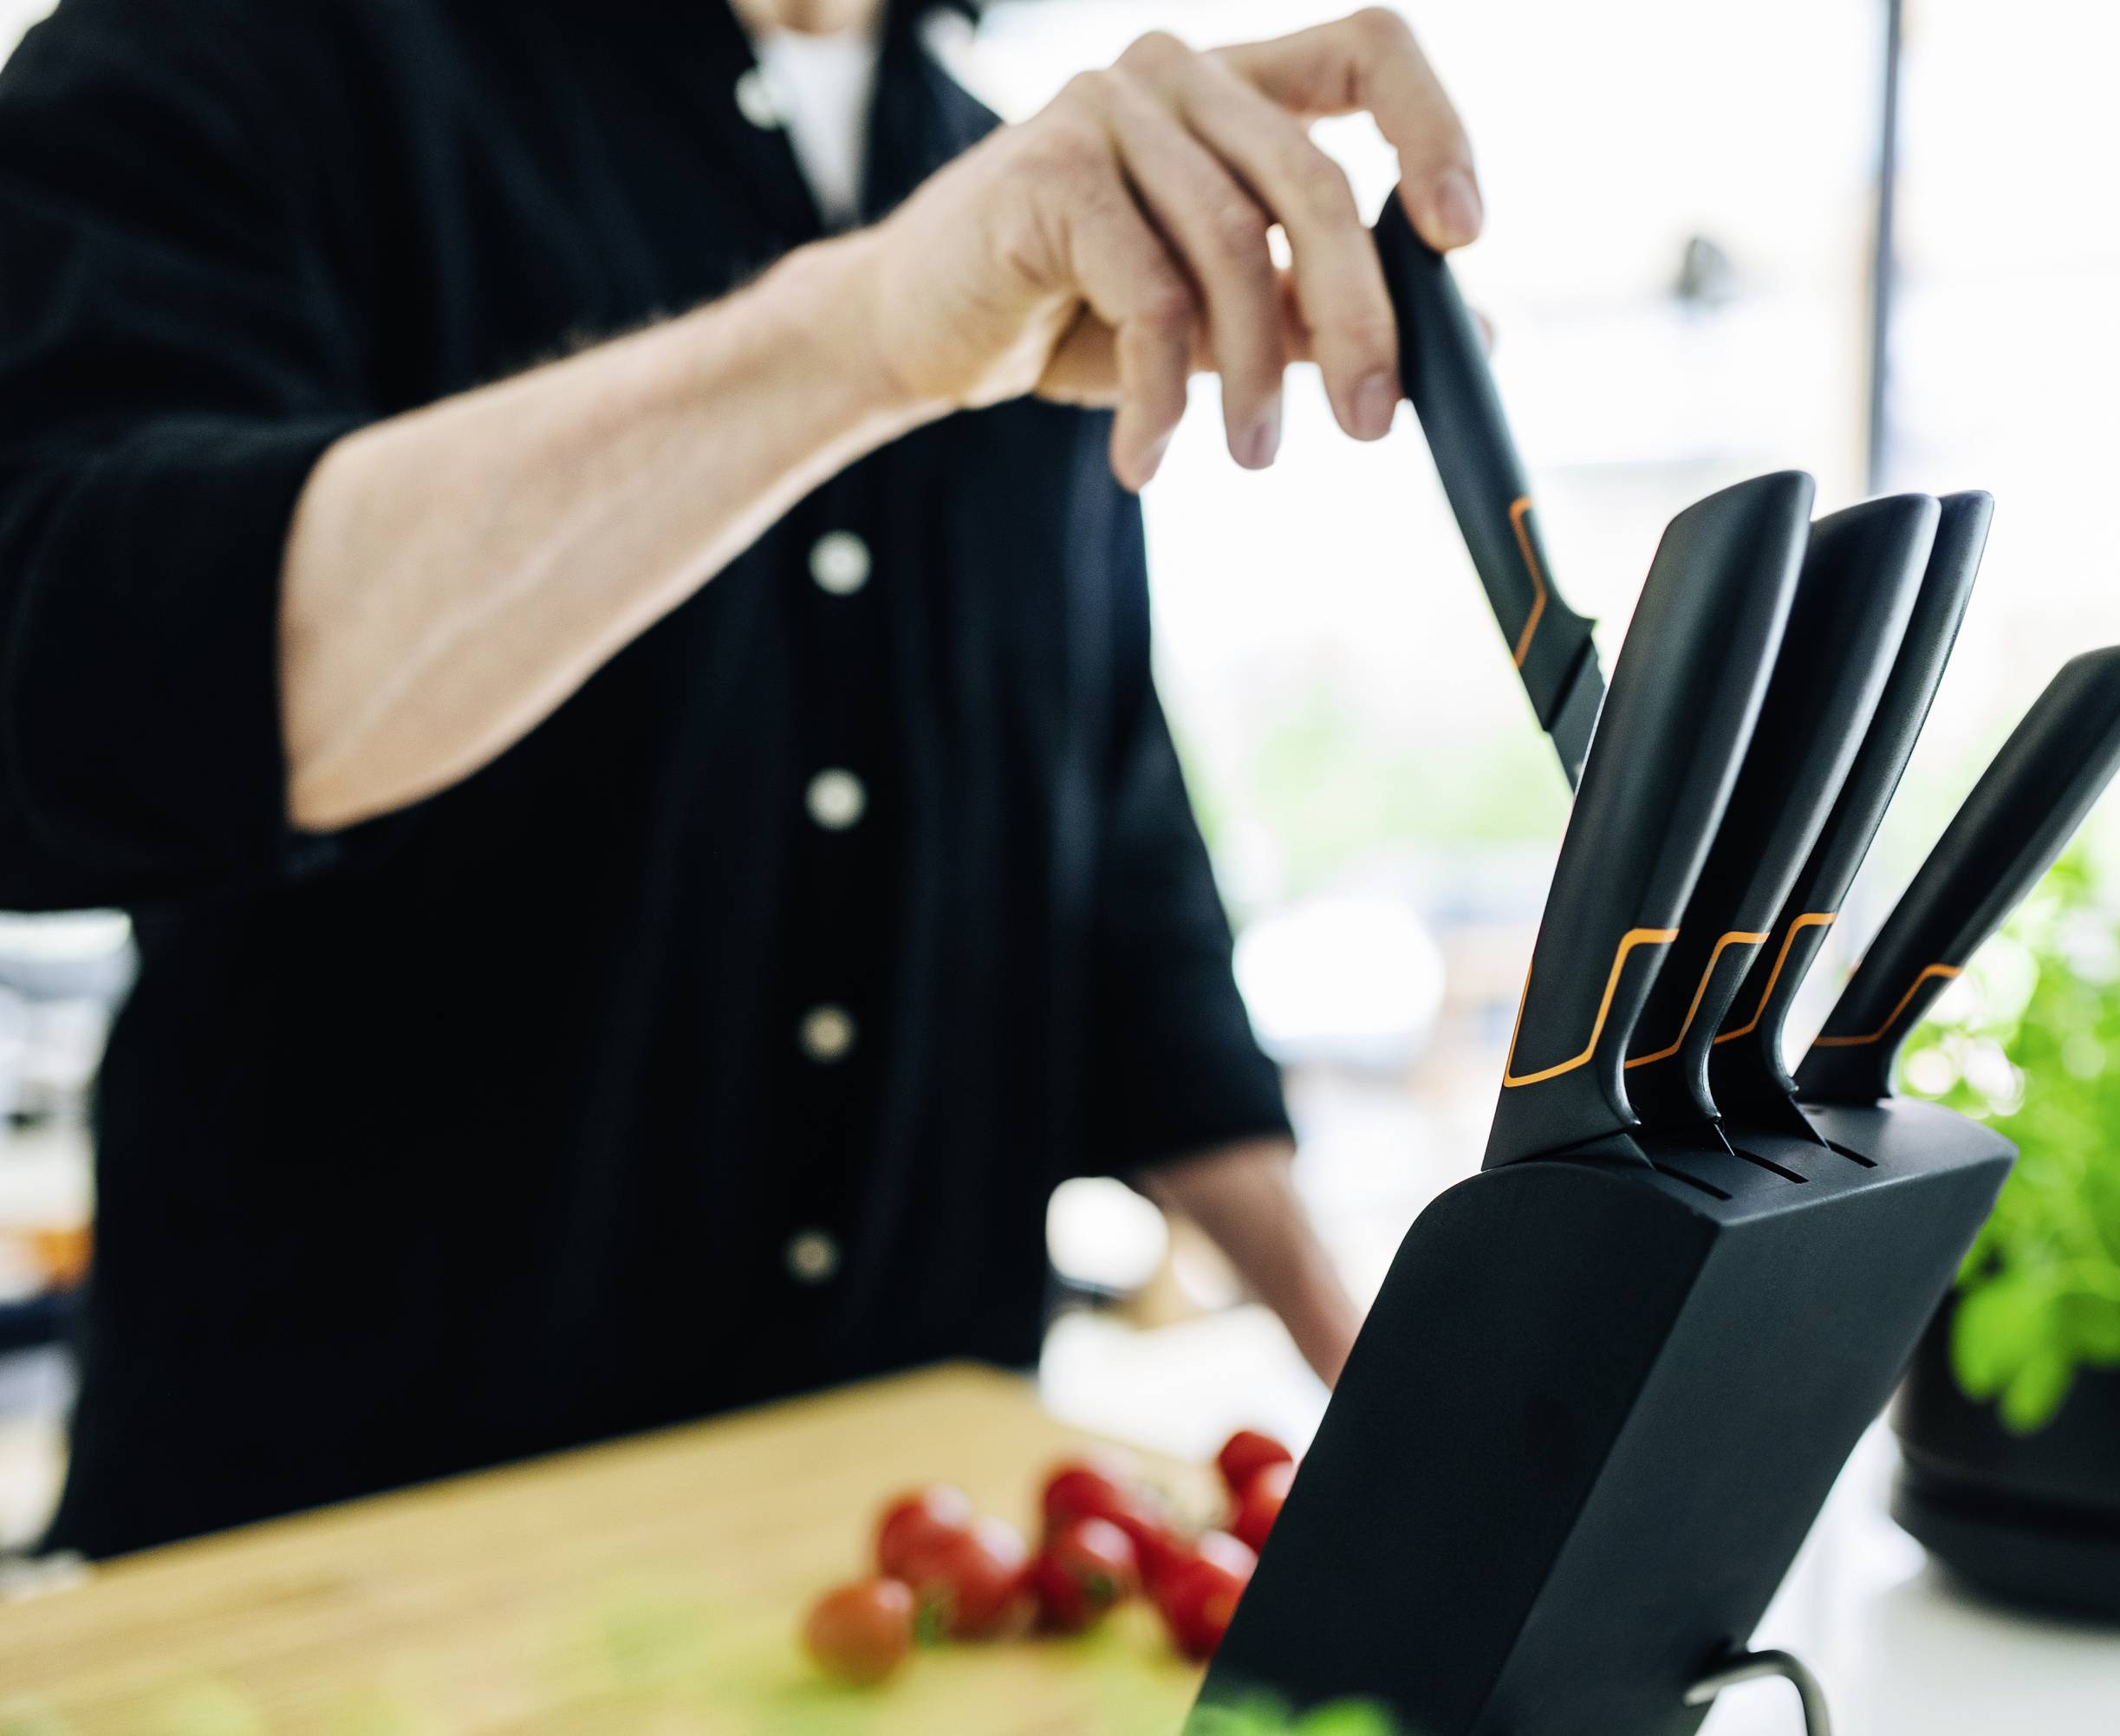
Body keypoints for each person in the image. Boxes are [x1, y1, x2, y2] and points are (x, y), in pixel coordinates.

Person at [0, 0, 1487, 1557]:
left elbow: (1104, 847)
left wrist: (1372, 1371)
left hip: (906, 1564)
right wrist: (854, 340)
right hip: (344, 1562)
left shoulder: (1021, 178)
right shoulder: (230, 52)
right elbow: (72, 691)